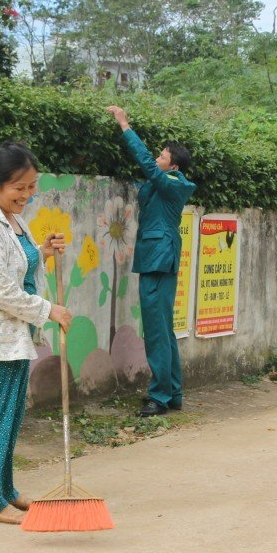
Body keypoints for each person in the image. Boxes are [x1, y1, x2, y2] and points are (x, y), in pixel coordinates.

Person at [0, 142, 73, 525]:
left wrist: (42, 251)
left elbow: (16, 265)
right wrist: (48, 310)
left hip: (13, 336)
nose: (27, 194)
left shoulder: (10, 219)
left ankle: (6, 490)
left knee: (10, 418)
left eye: (31, 186)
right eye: (19, 187)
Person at [105, 105, 197, 417]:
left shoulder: (174, 183)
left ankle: (160, 396)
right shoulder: (166, 183)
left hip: (159, 259)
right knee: (163, 329)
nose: (156, 159)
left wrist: (125, 126)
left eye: (161, 156)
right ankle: (173, 393)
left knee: (158, 331)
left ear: (173, 165)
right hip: (155, 257)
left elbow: (147, 166)